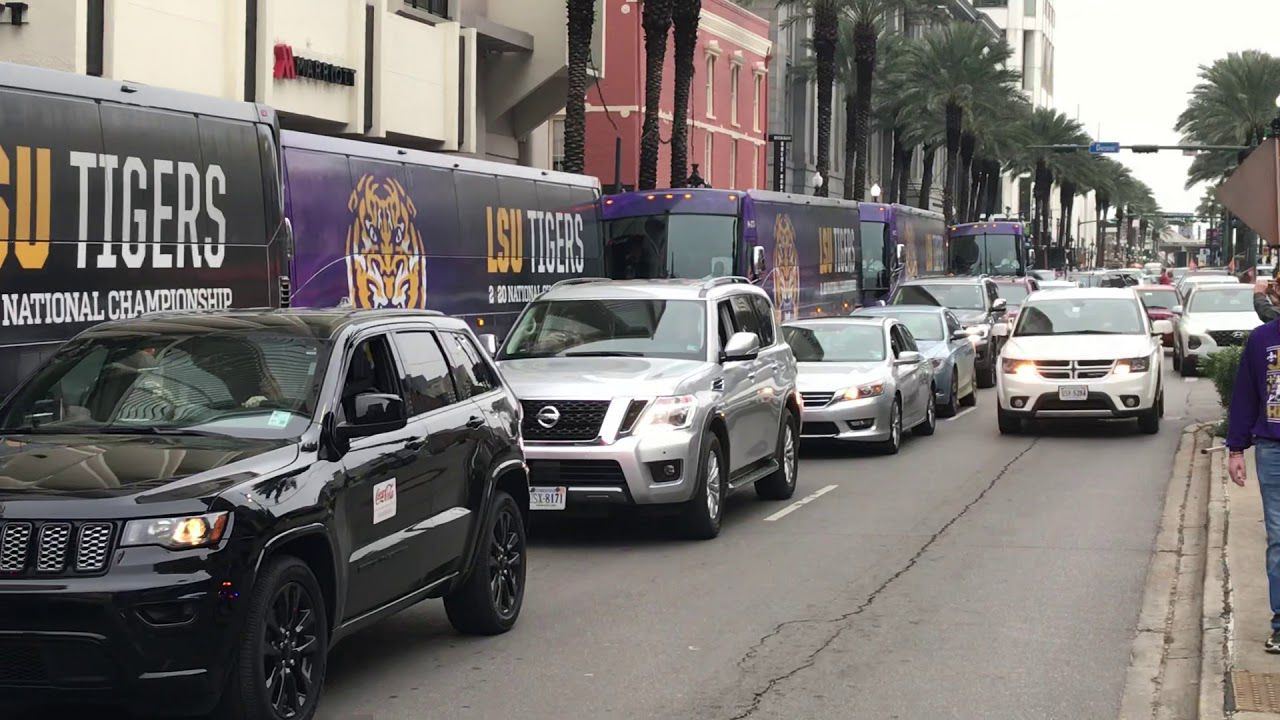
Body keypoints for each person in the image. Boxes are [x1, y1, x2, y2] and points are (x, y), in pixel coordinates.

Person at [1227, 311, 1280, 653]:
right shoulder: (1262, 339)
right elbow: (1245, 396)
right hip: (1273, 451)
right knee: (1278, 538)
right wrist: (1235, 448)